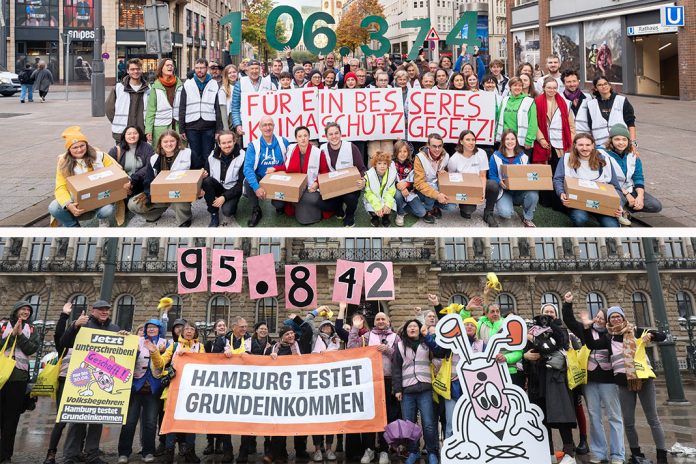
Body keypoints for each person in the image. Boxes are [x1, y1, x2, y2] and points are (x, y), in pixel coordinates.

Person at [580, 306, 668, 464]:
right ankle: (636, 454)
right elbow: (592, 344)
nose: (615, 319)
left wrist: (652, 335)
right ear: (609, 320)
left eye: (617, 316)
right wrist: (587, 326)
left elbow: (662, 336)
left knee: (653, 419)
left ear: (623, 317)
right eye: (612, 317)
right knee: (628, 421)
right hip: (622, 382)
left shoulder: (635, 330)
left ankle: (662, 455)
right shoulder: (608, 337)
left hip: (644, 379)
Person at [562, 292, 624, 464]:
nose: (597, 320)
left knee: (614, 416)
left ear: (608, 321)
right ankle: (599, 452)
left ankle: (618, 454)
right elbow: (569, 321)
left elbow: (597, 345)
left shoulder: (612, 335)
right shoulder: (584, 329)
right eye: (596, 317)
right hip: (590, 380)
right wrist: (568, 303)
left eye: (601, 318)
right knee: (594, 416)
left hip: (609, 379)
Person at [60, 300, 125, 464]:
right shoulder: (84, 324)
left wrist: (125, 340)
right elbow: (64, 343)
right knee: (77, 419)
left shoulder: (115, 329)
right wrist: (74, 325)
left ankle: (92, 454)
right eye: (101, 309)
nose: (104, 312)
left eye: (107, 310)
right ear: (93, 311)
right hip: (83, 376)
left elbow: (122, 354)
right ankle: (71, 455)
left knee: (97, 419)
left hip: (102, 380)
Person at [525, 310, 578, 464]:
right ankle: (548, 453)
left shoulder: (559, 332)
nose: (545, 317)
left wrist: (533, 338)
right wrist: (525, 355)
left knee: (561, 415)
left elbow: (548, 347)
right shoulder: (532, 331)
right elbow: (527, 352)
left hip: (555, 379)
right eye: (543, 314)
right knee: (541, 418)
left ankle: (569, 453)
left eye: (549, 313)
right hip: (537, 380)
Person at [348, 313, 400, 464]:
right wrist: (355, 329)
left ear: (388, 321)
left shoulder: (396, 338)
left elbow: (402, 357)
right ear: (374, 322)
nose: (381, 321)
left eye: (383, 318)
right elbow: (352, 349)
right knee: (370, 416)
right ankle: (369, 449)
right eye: (378, 319)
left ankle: (384, 450)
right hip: (370, 381)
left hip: (389, 381)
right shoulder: (366, 336)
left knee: (387, 417)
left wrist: (389, 351)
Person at [151, 322, 203, 464]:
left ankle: (190, 452)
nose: (189, 331)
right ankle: (169, 452)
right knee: (171, 422)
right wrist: (154, 352)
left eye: (192, 329)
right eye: (187, 329)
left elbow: (205, 365)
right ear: (182, 332)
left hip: (192, 391)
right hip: (174, 389)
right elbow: (160, 363)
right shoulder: (174, 346)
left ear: (195, 332)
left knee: (190, 423)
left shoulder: (200, 347)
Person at [392, 319, 444, 464]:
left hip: (425, 389)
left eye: (415, 326)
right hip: (407, 390)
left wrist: (427, 336)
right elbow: (396, 369)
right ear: (406, 330)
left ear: (419, 329)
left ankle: (432, 452)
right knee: (410, 423)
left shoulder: (426, 342)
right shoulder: (400, 345)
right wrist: (397, 389)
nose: (412, 328)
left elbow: (439, 351)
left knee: (428, 423)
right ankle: (413, 451)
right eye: (410, 326)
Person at [117, 319, 167, 464]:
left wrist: (157, 352)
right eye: (149, 327)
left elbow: (164, 364)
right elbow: (123, 355)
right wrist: (122, 337)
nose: (151, 329)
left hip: (153, 389)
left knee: (150, 423)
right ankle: (123, 453)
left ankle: (148, 451)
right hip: (135, 387)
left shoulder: (165, 343)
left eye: (154, 327)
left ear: (159, 329)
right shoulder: (136, 341)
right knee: (129, 422)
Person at [49, 126, 121, 227]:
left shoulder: (100, 156)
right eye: (75, 147)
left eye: (82, 145)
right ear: (69, 149)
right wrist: (69, 205)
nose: (79, 150)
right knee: (53, 207)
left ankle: (102, 219)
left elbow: (117, 171)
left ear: (86, 144)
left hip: (99, 197)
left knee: (107, 209)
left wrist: (125, 183)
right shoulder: (63, 163)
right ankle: (73, 227)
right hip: (76, 201)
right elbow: (60, 187)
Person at [265, 323, 314, 464]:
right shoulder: (274, 349)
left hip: (298, 391)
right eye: (287, 334)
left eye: (292, 333)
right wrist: (270, 357)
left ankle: (300, 450)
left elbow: (308, 330)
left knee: (298, 423)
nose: (291, 335)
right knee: (280, 424)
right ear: (282, 337)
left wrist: (296, 320)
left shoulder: (301, 345)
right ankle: (278, 454)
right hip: (280, 393)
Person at [553, 133, 624, 227]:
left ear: (593, 145)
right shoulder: (566, 158)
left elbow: (616, 187)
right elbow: (558, 179)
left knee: (611, 226)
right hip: (578, 202)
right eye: (581, 145)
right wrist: (561, 193)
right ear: (575, 145)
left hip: (601, 202)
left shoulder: (605, 160)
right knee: (580, 219)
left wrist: (619, 205)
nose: (585, 148)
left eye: (588, 145)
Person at [129, 130, 197, 227]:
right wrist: (150, 195)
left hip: (180, 193)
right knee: (133, 204)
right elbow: (148, 180)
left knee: (179, 202)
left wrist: (198, 190)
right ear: (160, 143)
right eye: (165, 141)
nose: (169, 144)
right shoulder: (154, 158)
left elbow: (198, 171)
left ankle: (185, 219)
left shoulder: (188, 153)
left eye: (172, 141)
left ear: (177, 141)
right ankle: (153, 215)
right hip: (160, 193)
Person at [0, 301, 39, 464]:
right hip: (2, 377)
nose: (26, 312)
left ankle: (5, 455)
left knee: (11, 419)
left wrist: (20, 335)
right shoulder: (2, 325)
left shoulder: (31, 329)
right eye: (23, 309)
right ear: (16, 310)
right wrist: (11, 337)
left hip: (19, 378)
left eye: (29, 310)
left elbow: (31, 349)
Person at [604, 124, 662, 226]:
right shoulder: (603, 155)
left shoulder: (633, 155)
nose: (621, 142)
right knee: (615, 205)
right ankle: (618, 214)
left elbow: (638, 177)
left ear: (628, 141)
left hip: (630, 188)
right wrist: (627, 195)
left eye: (624, 139)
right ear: (611, 141)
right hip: (613, 189)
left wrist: (640, 196)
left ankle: (626, 210)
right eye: (617, 139)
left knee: (655, 205)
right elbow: (606, 180)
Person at [273, 126, 331, 225]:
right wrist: (275, 168)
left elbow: (325, 172)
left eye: (305, 135)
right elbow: (286, 167)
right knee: (277, 197)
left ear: (309, 137)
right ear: (296, 138)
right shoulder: (291, 149)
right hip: (294, 185)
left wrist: (317, 183)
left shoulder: (318, 152)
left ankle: (310, 214)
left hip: (311, 187)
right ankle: (287, 207)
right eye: (300, 136)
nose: (303, 138)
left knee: (306, 200)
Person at [242, 116, 290, 227]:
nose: (267, 128)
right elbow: (247, 168)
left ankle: (280, 206)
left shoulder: (283, 142)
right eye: (264, 125)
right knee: (248, 183)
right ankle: (256, 210)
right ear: (259, 127)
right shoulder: (253, 145)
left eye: (270, 125)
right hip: (261, 177)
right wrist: (256, 187)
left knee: (279, 204)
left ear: (274, 126)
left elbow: (290, 164)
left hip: (279, 179)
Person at [319, 122, 367, 228]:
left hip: (350, 186)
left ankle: (350, 215)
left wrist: (363, 180)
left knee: (351, 198)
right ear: (326, 136)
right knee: (322, 203)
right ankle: (338, 208)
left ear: (341, 134)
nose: (334, 136)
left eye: (336, 133)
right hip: (333, 186)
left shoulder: (351, 147)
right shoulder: (322, 149)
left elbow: (362, 169)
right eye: (330, 134)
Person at [447, 129, 498, 226]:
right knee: (468, 211)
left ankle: (488, 213)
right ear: (461, 141)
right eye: (468, 140)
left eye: (473, 140)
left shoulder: (481, 153)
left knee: (493, 185)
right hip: (463, 188)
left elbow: (483, 175)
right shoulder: (454, 158)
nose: (471, 143)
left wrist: (482, 192)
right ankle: (464, 207)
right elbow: (451, 177)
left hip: (478, 184)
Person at [488, 129, 539, 227]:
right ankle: (505, 204)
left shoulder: (523, 157)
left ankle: (527, 218)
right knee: (506, 214)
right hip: (504, 191)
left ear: (516, 141)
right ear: (503, 141)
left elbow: (528, 174)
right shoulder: (495, 156)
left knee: (533, 194)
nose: (510, 141)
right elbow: (491, 176)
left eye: (512, 139)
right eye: (507, 139)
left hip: (520, 191)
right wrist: (499, 182)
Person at [179, 58, 223, 169]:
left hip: (209, 126)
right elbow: (182, 107)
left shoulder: (214, 84)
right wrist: (182, 129)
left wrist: (218, 129)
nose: (199, 70)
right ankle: (195, 181)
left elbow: (218, 109)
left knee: (208, 155)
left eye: (202, 68)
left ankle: (207, 179)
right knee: (194, 155)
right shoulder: (187, 84)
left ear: (207, 68)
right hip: (191, 126)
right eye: (197, 68)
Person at [43, 303, 73, 464]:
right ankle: (51, 453)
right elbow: (59, 334)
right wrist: (64, 316)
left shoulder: (92, 348)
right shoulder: (65, 347)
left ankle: (77, 451)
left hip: (81, 388)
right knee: (61, 420)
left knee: (80, 420)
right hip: (64, 383)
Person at [201, 320, 234, 461]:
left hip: (227, 382)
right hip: (212, 382)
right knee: (211, 414)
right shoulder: (208, 344)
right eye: (219, 326)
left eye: (223, 325)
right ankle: (210, 442)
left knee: (223, 414)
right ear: (215, 329)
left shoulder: (231, 342)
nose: (222, 327)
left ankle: (220, 443)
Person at [200, 130, 245, 227]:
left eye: (229, 142)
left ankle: (232, 202)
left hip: (232, 188)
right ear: (219, 144)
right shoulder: (212, 155)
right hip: (218, 186)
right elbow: (206, 175)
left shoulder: (243, 156)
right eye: (223, 143)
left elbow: (241, 184)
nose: (227, 145)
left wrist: (224, 197)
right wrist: (202, 181)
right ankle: (214, 213)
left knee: (228, 212)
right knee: (207, 181)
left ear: (234, 141)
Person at [587, 76, 637, 152]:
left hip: (621, 145)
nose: (604, 86)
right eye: (600, 85)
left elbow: (631, 124)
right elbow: (590, 127)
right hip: (600, 146)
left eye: (605, 84)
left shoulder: (621, 100)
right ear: (596, 88)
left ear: (609, 85)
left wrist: (632, 143)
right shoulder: (591, 104)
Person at [106, 58, 150, 142]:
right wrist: (117, 121)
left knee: (141, 155)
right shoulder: (118, 88)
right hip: (122, 132)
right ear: (127, 71)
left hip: (142, 132)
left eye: (138, 69)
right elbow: (109, 109)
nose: (135, 72)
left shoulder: (148, 88)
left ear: (141, 70)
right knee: (122, 155)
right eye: (132, 69)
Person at [107, 125, 155, 204]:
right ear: (124, 135)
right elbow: (109, 168)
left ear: (139, 134)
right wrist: (124, 182)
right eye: (129, 134)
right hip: (123, 183)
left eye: (135, 133)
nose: (132, 136)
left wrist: (133, 179)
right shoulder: (116, 150)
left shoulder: (147, 147)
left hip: (140, 181)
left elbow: (149, 165)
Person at [413, 133, 450, 224]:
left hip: (437, 187)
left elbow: (448, 176)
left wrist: (443, 174)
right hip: (423, 189)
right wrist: (437, 195)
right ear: (428, 145)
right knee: (431, 190)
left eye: (439, 146)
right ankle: (428, 210)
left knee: (451, 206)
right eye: (434, 146)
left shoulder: (446, 156)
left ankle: (434, 206)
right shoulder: (419, 158)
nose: (437, 149)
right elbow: (419, 183)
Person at [145, 58, 183, 147]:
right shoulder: (155, 87)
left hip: (177, 126)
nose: (170, 67)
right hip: (160, 127)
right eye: (167, 65)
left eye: (172, 65)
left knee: (179, 153)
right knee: (161, 153)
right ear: (161, 68)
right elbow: (150, 111)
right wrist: (148, 130)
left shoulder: (180, 85)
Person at [496, 77, 538, 155]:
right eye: (515, 85)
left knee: (521, 166)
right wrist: (496, 135)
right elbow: (498, 119)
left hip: (521, 142)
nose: (517, 88)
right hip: (505, 140)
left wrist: (529, 140)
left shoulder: (529, 101)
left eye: (520, 86)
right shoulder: (505, 100)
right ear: (510, 87)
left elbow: (533, 123)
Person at [393, 140, 428, 225]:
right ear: (395, 152)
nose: (402, 154)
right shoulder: (391, 164)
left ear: (408, 152)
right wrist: (399, 186)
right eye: (400, 151)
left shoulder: (412, 164)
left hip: (409, 192)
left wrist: (407, 185)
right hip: (395, 190)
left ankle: (402, 207)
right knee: (398, 195)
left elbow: (416, 182)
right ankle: (400, 214)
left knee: (421, 213)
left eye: (405, 151)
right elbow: (388, 180)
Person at [231, 59, 264, 140]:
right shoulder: (240, 83)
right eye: (252, 68)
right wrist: (238, 124)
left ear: (260, 70)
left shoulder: (267, 82)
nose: (254, 71)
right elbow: (235, 107)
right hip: (246, 125)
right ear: (247, 70)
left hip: (264, 124)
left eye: (256, 68)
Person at [363, 150, 397, 227]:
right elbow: (369, 193)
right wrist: (377, 206)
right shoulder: (369, 175)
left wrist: (387, 205)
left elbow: (391, 191)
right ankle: (374, 217)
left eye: (385, 163)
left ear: (388, 164)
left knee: (390, 206)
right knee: (372, 208)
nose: (382, 166)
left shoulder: (391, 174)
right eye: (379, 163)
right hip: (373, 199)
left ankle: (386, 217)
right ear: (375, 164)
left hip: (385, 198)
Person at [218, 64, 238, 131]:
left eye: (234, 72)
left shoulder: (242, 85)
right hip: (231, 120)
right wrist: (226, 129)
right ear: (226, 75)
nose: (232, 74)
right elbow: (223, 111)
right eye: (229, 73)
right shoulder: (223, 90)